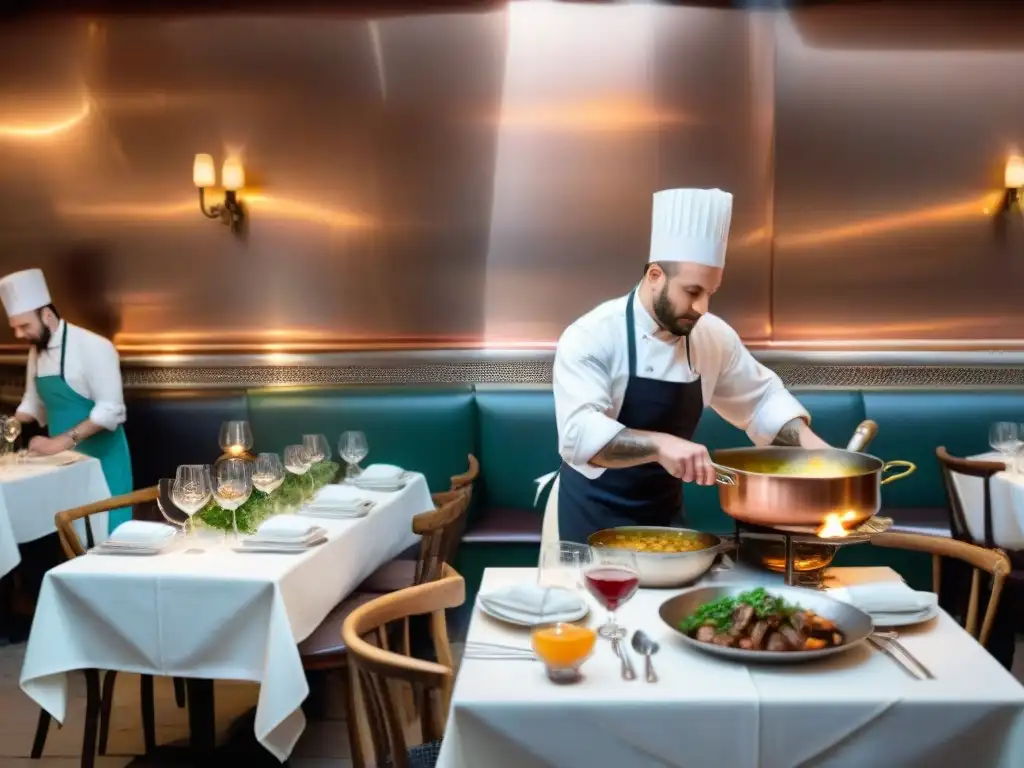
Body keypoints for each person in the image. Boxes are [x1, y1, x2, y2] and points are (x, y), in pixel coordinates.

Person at [542, 188, 830, 547]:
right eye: (692, 292)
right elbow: (579, 435)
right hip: (590, 520)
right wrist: (662, 445)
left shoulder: (712, 336)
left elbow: (760, 402)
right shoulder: (592, 335)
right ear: (655, 276)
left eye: (711, 292)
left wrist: (816, 452)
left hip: (665, 519)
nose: (702, 307)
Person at [1, 268, 133, 534]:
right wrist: (9, 424)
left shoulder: (95, 347)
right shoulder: (36, 353)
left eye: (24, 326)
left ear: (46, 315)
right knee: (71, 541)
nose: (18, 334)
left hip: (102, 464)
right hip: (62, 468)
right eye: (14, 327)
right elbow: (33, 402)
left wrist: (58, 443)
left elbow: (110, 411)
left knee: (107, 540)